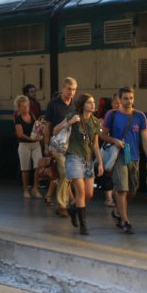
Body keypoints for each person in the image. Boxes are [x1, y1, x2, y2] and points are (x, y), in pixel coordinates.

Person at [100, 87, 147, 234]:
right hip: (119, 156)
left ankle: (118, 211)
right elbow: (103, 136)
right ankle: (125, 221)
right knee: (122, 189)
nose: (128, 101)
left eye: (131, 98)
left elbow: (144, 138)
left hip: (134, 157)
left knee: (133, 189)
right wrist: (115, 141)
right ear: (119, 99)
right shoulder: (112, 115)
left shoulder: (140, 116)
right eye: (125, 98)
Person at [53, 93, 103, 235]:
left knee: (89, 193)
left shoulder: (95, 122)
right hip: (73, 157)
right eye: (89, 102)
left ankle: (74, 208)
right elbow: (55, 130)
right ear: (82, 105)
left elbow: (95, 144)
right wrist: (69, 122)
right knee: (80, 191)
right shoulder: (73, 116)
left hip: (88, 160)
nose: (92, 105)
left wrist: (100, 162)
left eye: (93, 102)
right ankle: (83, 225)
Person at [44, 77, 78, 216]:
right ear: (63, 88)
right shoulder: (53, 104)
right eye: (69, 89)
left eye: (74, 89)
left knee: (69, 175)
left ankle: (69, 201)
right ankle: (62, 205)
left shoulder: (75, 105)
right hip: (57, 145)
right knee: (64, 173)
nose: (71, 92)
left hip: (71, 145)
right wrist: (46, 146)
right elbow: (48, 126)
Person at [13, 95, 41, 198]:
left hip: (35, 144)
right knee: (25, 168)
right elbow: (20, 134)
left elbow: (36, 127)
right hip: (24, 144)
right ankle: (25, 189)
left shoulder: (32, 115)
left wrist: (39, 134)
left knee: (38, 166)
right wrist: (32, 139)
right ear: (19, 107)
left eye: (27, 106)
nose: (26, 108)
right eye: (23, 106)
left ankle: (35, 188)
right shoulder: (18, 119)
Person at [98, 93, 121, 207]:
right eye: (116, 102)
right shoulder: (108, 115)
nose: (118, 104)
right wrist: (114, 141)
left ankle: (118, 197)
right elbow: (102, 134)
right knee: (108, 172)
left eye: (120, 102)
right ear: (111, 103)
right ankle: (108, 198)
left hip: (122, 149)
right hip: (110, 148)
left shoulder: (130, 115)